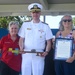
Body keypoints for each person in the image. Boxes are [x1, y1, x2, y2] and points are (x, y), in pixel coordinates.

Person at [18, 3, 53, 75]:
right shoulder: (25, 24)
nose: (35, 14)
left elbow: (49, 41)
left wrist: (46, 51)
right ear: (31, 13)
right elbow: (21, 39)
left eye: (37, 12)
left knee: (38, 73)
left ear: (40, 13)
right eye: (33, 12)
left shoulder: (45, 26)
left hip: (39, 54)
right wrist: (21, 48)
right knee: (25, 73)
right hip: (26, 53)